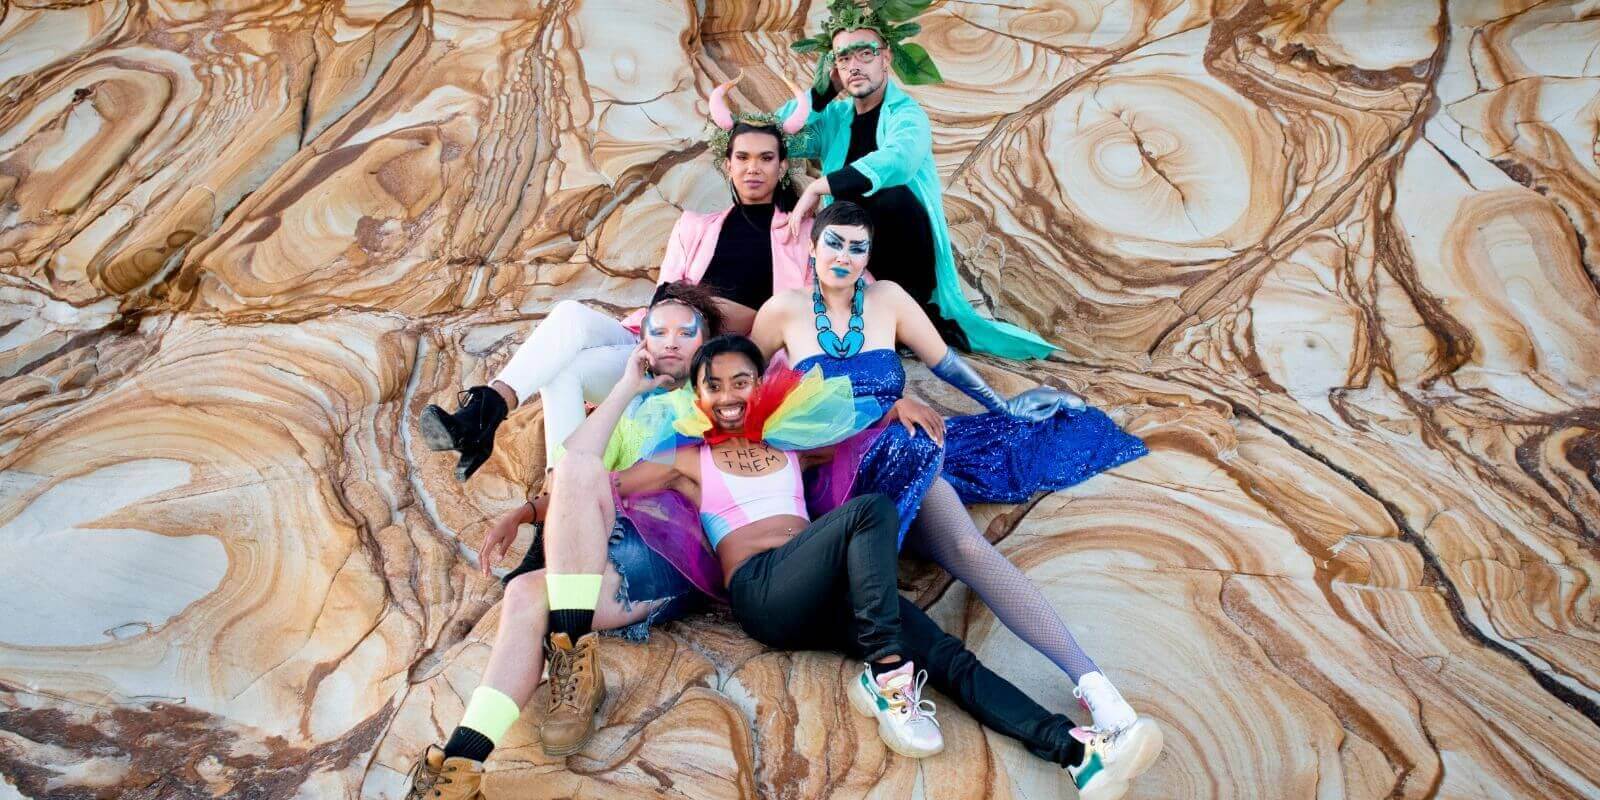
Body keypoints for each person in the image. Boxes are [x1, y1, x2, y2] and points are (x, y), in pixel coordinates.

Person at [609, 335, 1164, 798]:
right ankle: (887, 674)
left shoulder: (791, 446)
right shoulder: (688, 458)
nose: (729, 395)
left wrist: (894, 407)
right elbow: (607, 486)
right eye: (714, 385)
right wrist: (531, 513)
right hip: (763, 592)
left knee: (949, 657)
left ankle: (1077, 754)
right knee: (868, 513)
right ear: (697, 395)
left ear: (760, 386)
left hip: (830, 596)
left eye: (740, 381)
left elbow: (859, 438)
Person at [753, 201, 1152, 734]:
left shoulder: (890, 298)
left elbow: (945, 363)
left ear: (869, 254)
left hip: (904, 456)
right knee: (892, 503)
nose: (844, 256)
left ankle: (1096, 686)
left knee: (968, 548)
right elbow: (746, 397)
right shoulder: (781, 310)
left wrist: (1004, 407)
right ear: (811, 244)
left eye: (857, 246)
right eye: (834, 243)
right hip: (834, 481)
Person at [402, 290, 727, 800]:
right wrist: (624, 388)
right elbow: (574, 468)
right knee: (524, 592)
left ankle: (572, 645)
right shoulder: (627, 408)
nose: (671, 343)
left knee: (540, 576)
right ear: (638, 345)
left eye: (686, 333)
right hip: (611, 544)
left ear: (707, 344)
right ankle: (461, 766)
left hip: (672, 553)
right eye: (657, 332)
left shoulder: (718, 395)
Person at [418, 79, 820, 480]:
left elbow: (824, 297)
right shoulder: (695, 226)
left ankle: (538, 480)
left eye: (766, 158)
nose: (753, 167)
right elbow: (665, 293)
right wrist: (655, 344)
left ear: (782, 166)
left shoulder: (803, 235)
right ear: (728, 164)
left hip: (710, 364)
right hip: (653, 342)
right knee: (569, 317)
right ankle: (493, 420)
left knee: (567, 371)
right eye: (743, 157)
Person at [780, 0, 1055, 359]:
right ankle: (860, 314)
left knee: (888, 196)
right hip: (851, 257)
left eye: (865, 54)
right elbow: (776, 137)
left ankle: (912, 316)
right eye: (843, 59)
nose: (854, 66)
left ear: (886, 57)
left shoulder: (907, 113)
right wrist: (820, 93)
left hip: (905, 257)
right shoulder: (835, 116)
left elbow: (899, 160)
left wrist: (821, 184)